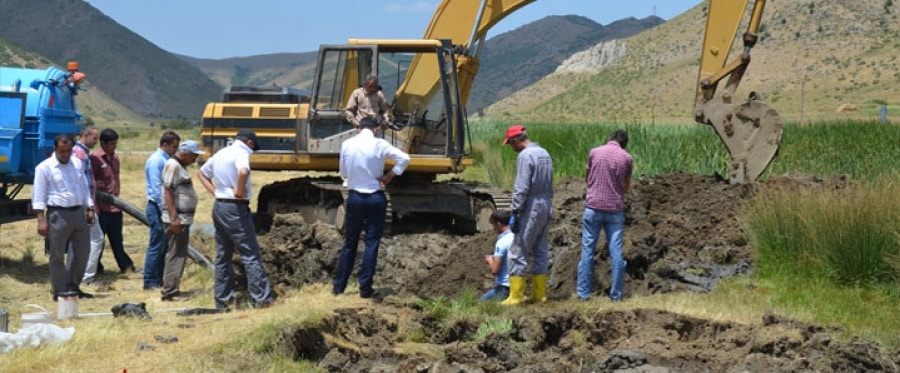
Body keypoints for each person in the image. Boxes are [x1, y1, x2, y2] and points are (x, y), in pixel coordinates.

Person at [198, 129, 277, 308]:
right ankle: (262, 299)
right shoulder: (241, 152)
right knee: (250, 254)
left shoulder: (221, 153)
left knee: (222, 255)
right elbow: (243, 172)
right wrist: (239, 191)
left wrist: (216, 192)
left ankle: (222, 300)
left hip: (219, 206)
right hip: (235, 207)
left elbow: (202, 173)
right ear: (249, 143)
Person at [332, 117, 409, 298]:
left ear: (358, 127)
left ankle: (338, 287)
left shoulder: (347, 144)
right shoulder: (380, 144)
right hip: (375, 196)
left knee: (350, 243)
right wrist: (390, 175)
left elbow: (343, 172)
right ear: (376, 129)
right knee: (371, 243)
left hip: (355, 197)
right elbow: (405, 158)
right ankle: (365, 287)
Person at [32, 134, 95, 301]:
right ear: (55, 149)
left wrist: (90, 207)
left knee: (83, 253)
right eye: (62, 151)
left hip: (79, 213)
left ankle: (73, 288)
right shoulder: (44, 168)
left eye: (68, 151)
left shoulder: (77, 163)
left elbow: (83, 187)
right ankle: (59, 290)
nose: (65, 154)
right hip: (58, 215)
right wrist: (41, 220)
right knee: (57, 255)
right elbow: (38, 196)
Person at [577, 130, 633, 302]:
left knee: (587, 251)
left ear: (610, 139)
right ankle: (616, 295)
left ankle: (583, 294)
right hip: (614, 210)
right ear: (624, 144)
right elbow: (626, 186)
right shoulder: (627, 158)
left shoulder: (594, 152)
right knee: (616, 253)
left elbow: (587, 177)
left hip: (593, 207)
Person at [502, 124, 554, 305]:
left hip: (531, 205)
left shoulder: (525, 156)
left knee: (518, 249)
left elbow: (521, 187)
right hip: (546, 203)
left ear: (516, 140)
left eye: (511, 144)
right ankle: (539, 295)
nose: (512, 148)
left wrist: (516, 211)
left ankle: (516, 296)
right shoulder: (544, 153)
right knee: (540, 249)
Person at [160, 140, 205, 302]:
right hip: (177, 219)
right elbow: (168, 191)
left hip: (182, 218)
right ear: (185, 153)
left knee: (178, 252)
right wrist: (174, 218)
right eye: (193, 156)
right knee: (176, 254)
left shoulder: (180, 166)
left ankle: (171, 289)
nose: (195, 160)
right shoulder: (173, 165)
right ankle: (170, 292)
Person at [91, 129, 139, 275]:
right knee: (98, 241)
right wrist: (95, 206)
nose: (115, 146)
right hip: (102, 207)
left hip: (116, 206)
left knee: (117, 240)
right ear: (102, 143)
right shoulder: (95, 159)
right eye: (112, 143)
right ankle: (95, 268)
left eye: (116, 143)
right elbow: (91, 183)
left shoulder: (115, 158)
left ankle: (126, 266)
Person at [143, 131, 181, 290]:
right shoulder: (156, 161)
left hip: (163, 207)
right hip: (157, 207)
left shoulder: (167, 160)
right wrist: (165, 210)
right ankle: (150, 280)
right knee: (157, 244)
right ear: (164, 145)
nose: (176, 150)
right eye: (174, 146)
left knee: (163, 244)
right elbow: (157, 188)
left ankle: (158, 278)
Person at [71, 126, 105, 286]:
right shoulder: (79, 154)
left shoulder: (82, 153)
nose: (96, 141)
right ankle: (87, 276)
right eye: (94, 138)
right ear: (85, 135)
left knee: (81, 240)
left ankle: (79, 274)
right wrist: (89, 206)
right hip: (84, 204)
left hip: (85, 202)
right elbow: (80, 182)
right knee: (96, 239)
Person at [479, 209, 513, 302]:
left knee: (479, 304)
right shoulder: (516, 237)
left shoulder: (502, 242)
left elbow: (495, 270)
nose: (493, 229)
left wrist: (490, 260)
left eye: (493, 225)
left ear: (498, 224)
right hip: (517, 285)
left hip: (504, 288)